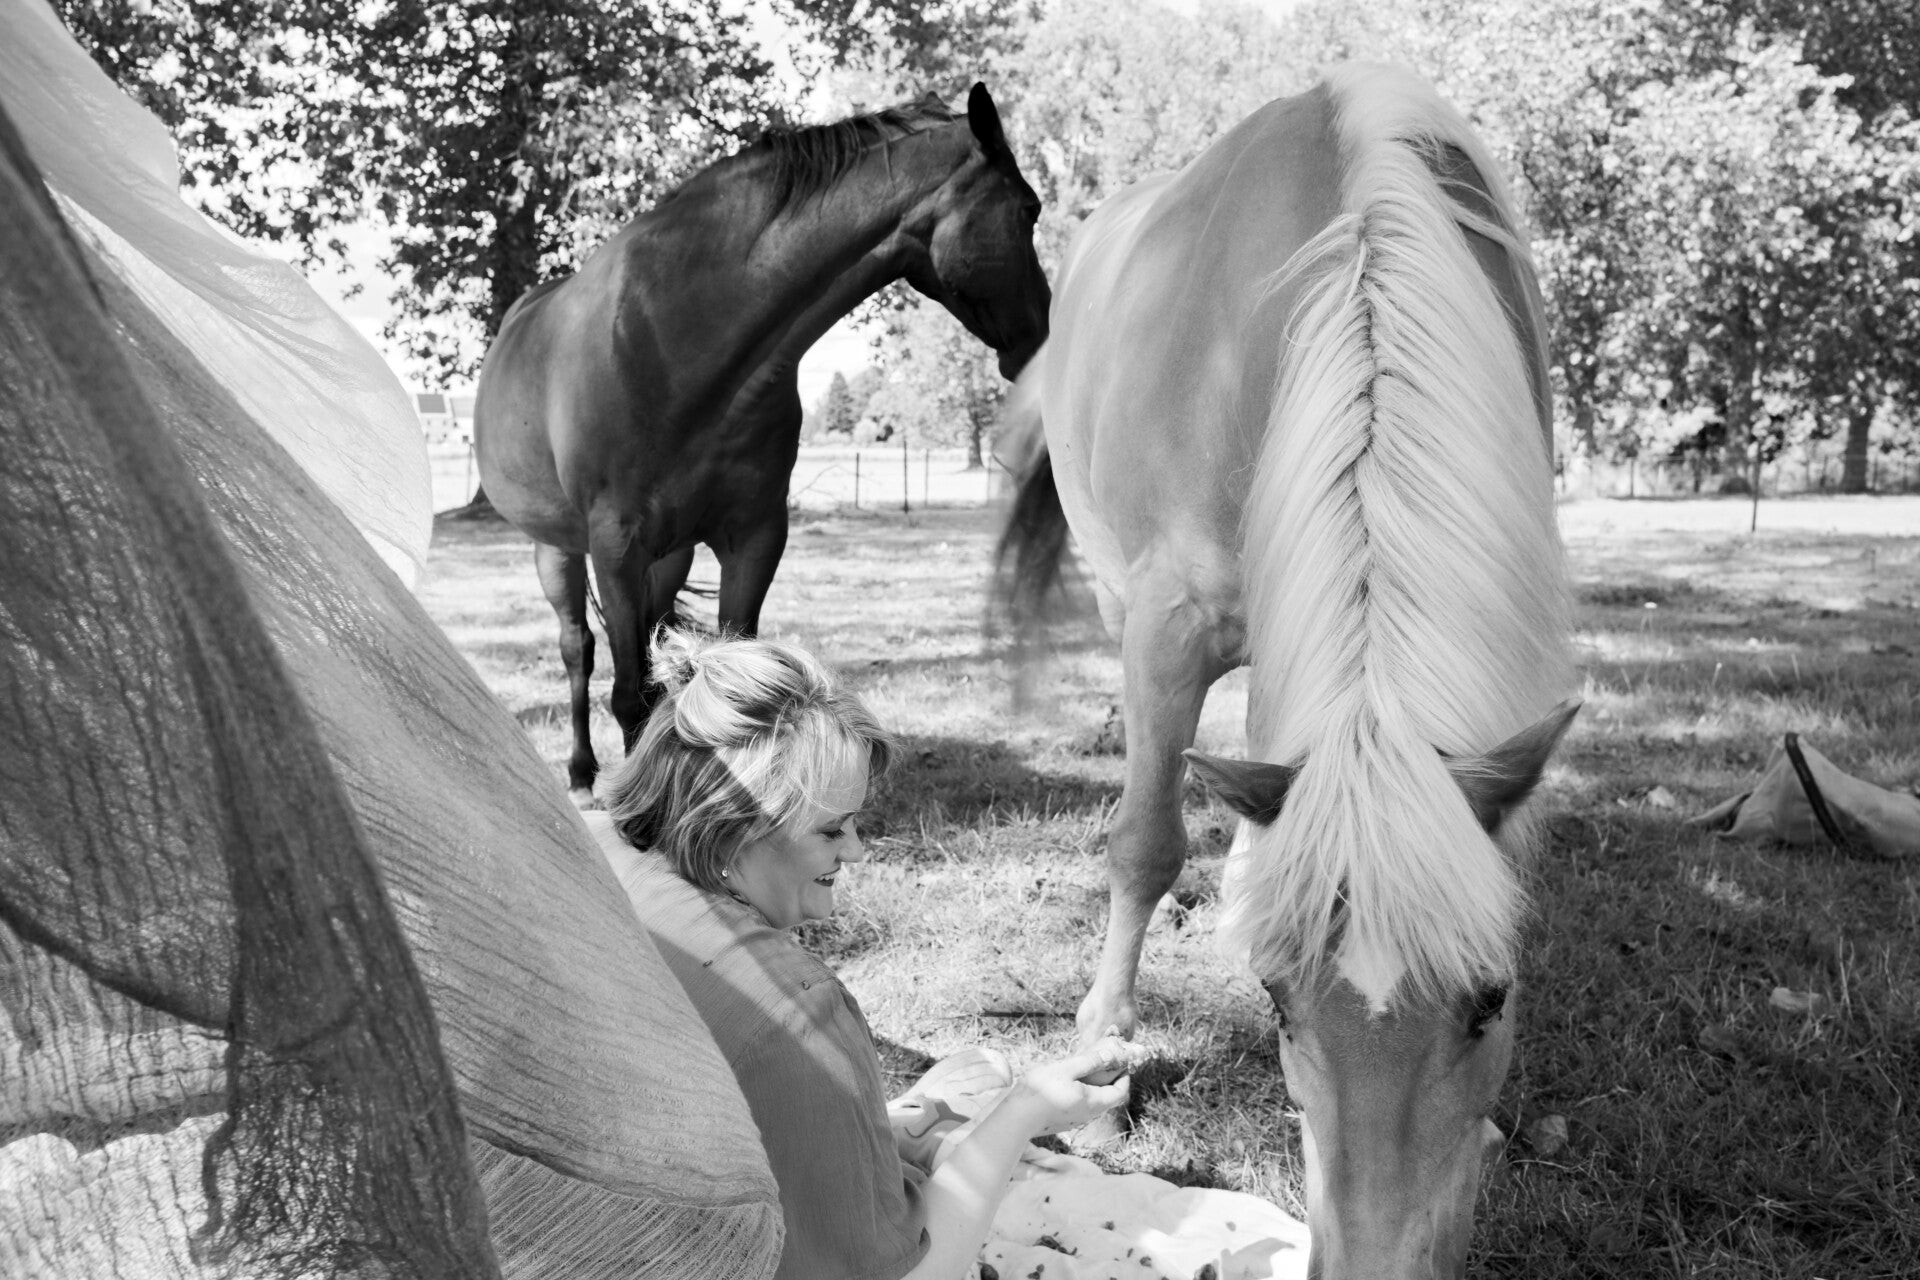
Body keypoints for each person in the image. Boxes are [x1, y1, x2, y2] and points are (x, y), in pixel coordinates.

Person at [586, 629, 1137, 1280]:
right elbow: (916, 1274)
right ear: (735, 827)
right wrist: (1028, 1110)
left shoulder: (593, 856)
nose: (855, 850)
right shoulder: (796, 1016)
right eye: (830, 830)